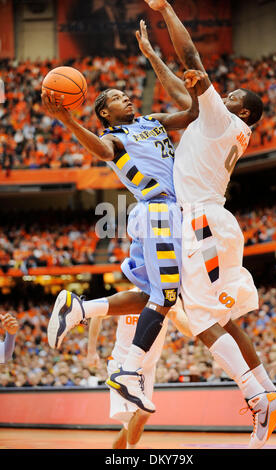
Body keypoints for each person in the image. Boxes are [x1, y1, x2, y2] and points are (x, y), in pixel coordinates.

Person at [137, 0, 276, 449]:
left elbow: (194, 63)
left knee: (201, 317)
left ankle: (257, 397)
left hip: (202, 222)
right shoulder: (224, 123)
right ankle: (269, 394)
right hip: (218, 222)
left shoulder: (223, 118)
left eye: (230, 98)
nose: (221, 97)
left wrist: (166, 10)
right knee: (229, 318)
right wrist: (152, 59)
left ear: (242, 112)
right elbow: (185, 93)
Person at [43, 54, 199, 414]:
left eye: (125, 94)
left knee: (150, 295)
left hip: (169, 212)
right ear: (104, 113)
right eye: (116, 97)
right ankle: (127, 370)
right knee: (167, 295)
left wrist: (154, 59)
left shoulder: (153, 120)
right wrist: (67, 119)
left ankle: (80, 308)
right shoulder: (113, 137)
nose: (126, 97)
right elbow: (100, 151)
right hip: (158, 210)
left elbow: (192, 114)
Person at [86, 289, 192, 449]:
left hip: (147, 368)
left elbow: (189, 331)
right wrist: (91, 351)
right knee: (142, 412)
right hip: (122, 365)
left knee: (131, 424)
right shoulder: (129, 296)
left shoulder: (170, 298)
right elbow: (97, 313)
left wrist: (177, 314)